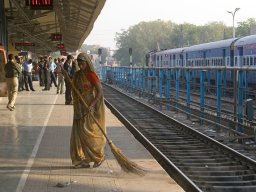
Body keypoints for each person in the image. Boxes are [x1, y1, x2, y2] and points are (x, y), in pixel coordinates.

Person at [70, 52, 106, 168]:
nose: (81, 66)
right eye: (79, 63)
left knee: (89, 133)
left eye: (82, 63)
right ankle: (83, 159)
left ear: (87, 63)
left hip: (88, 107)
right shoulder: (77, 75)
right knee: (79, 133)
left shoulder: (91, 75)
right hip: (79, 107)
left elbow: (100, 91)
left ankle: (98, 156)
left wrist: (92, 105)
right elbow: (75, 89)